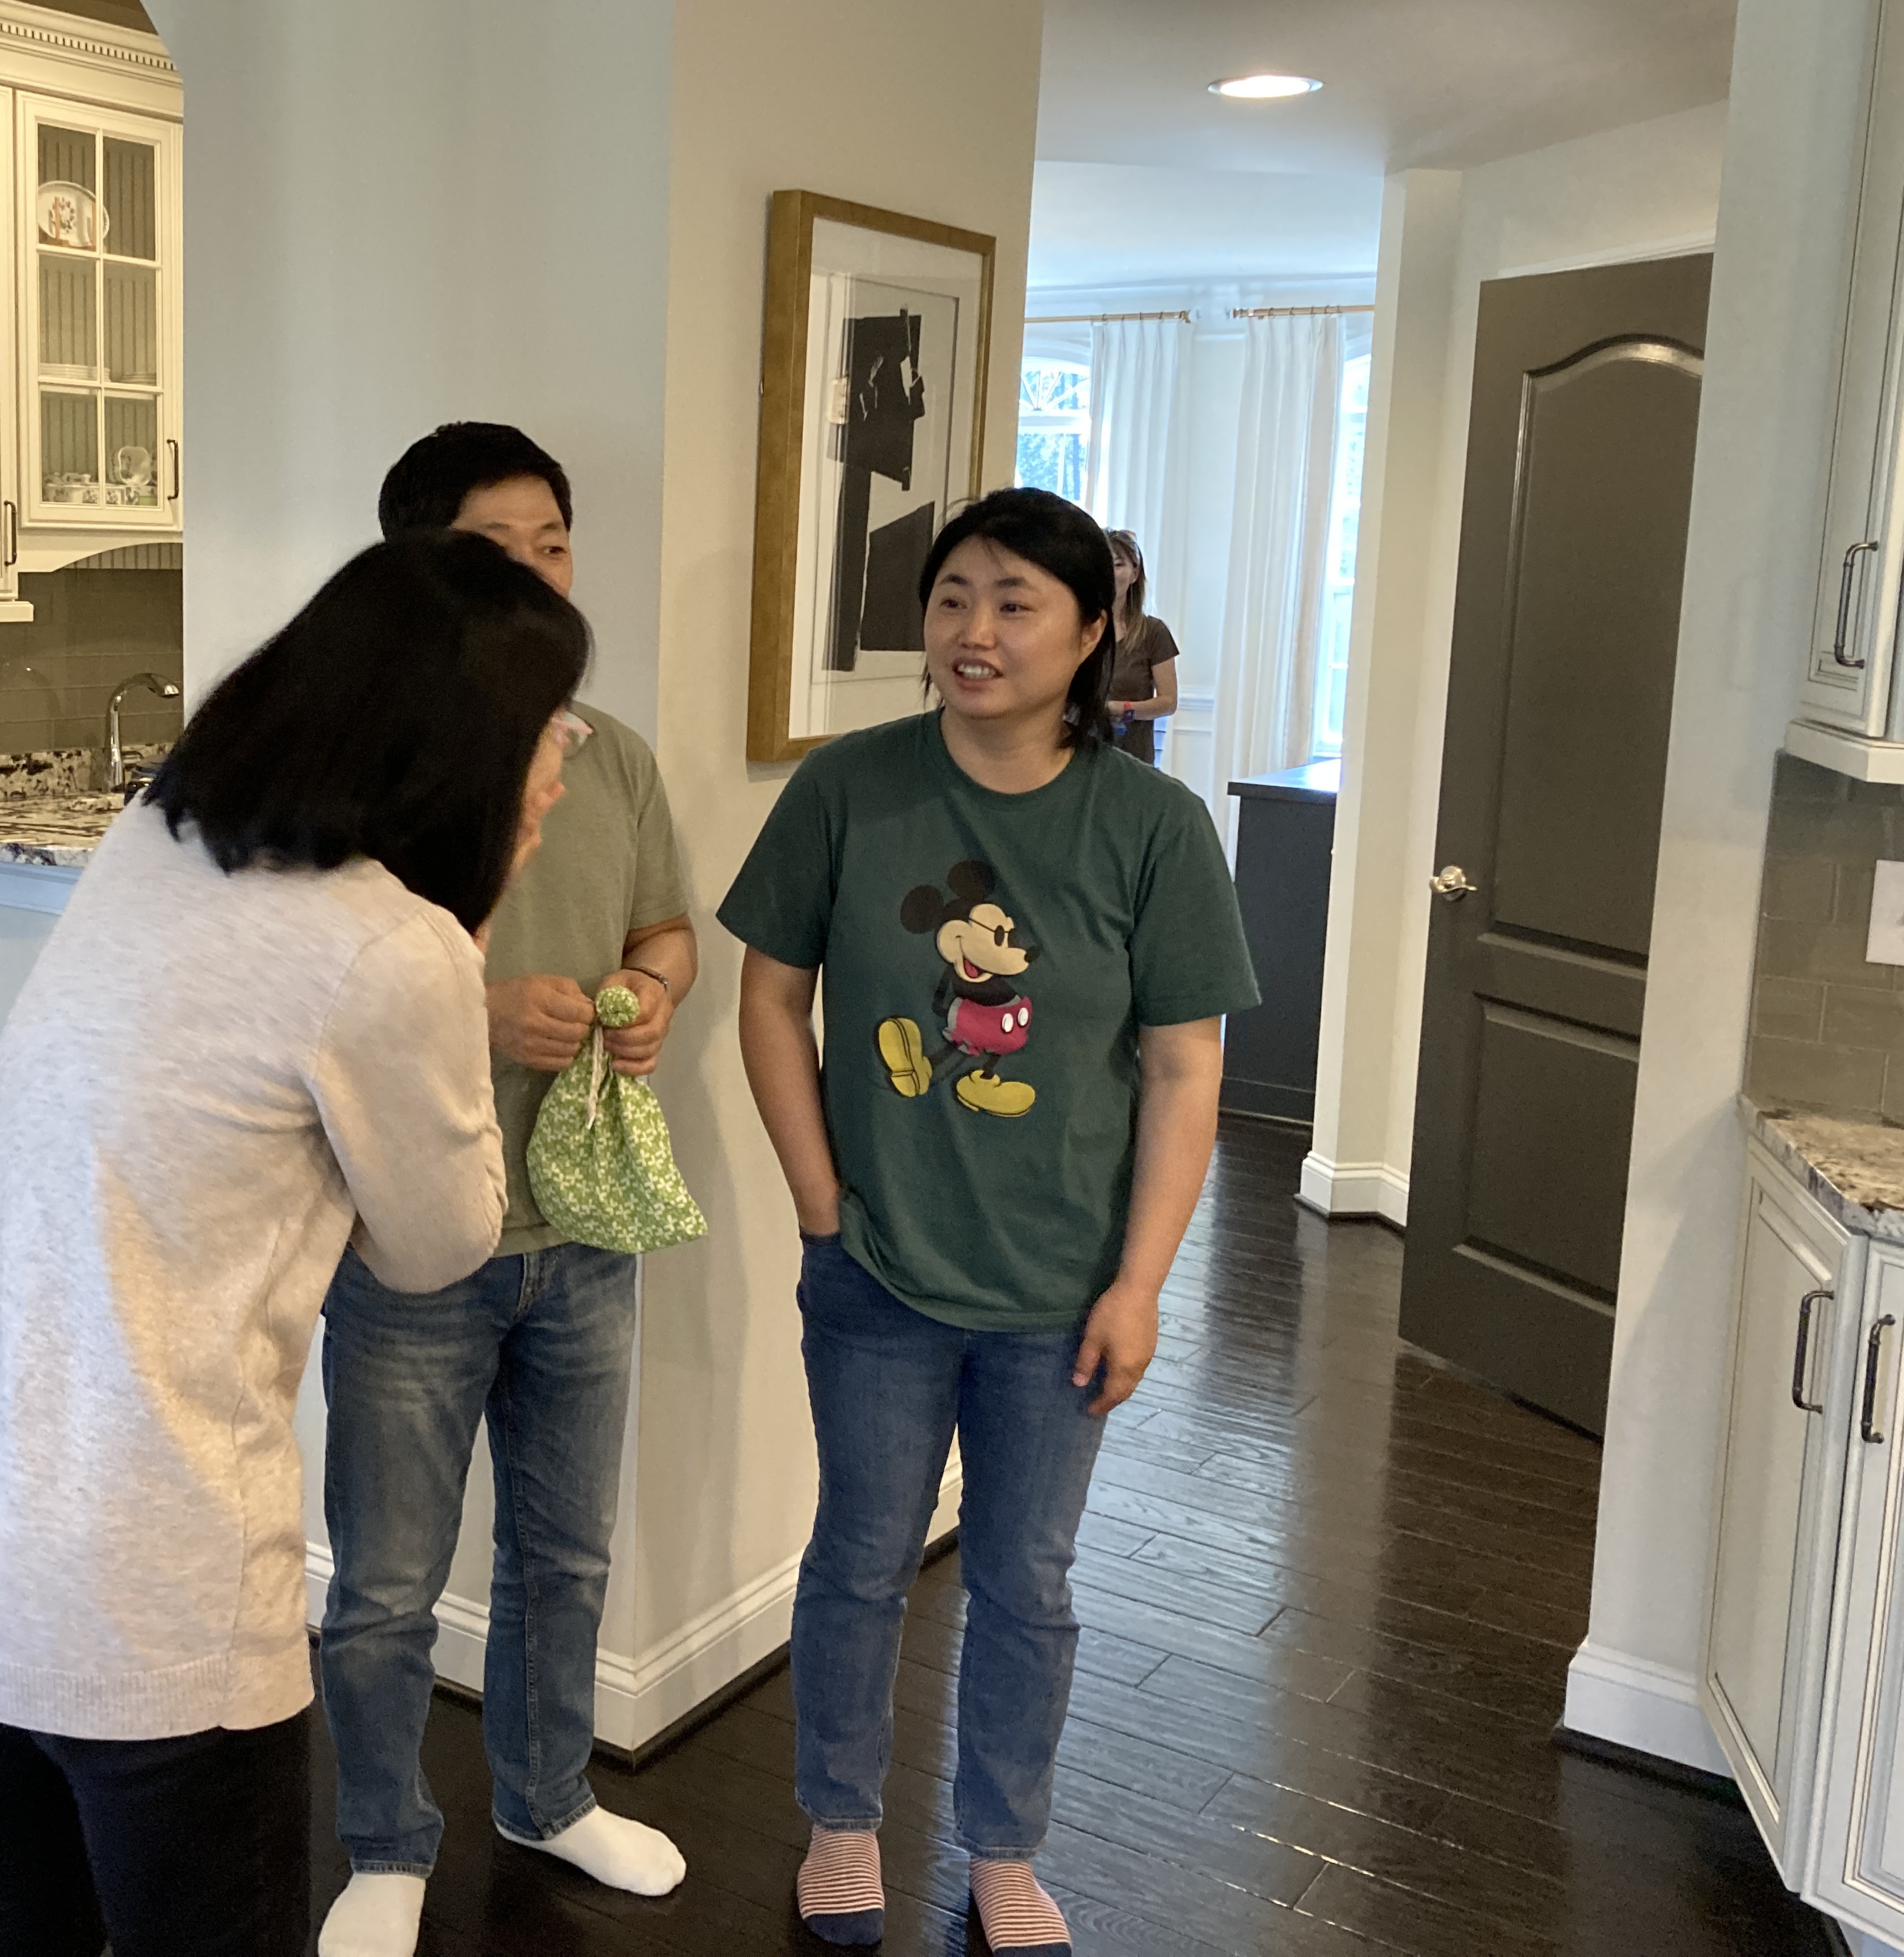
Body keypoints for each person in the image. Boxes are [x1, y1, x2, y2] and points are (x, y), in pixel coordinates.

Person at [0, 531, 591, 1957]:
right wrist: (471, 925)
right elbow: (441, 1245)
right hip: (143, 1579)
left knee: (9, 1931)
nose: (562, 766)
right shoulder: (393, 946)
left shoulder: (160, 834)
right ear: (464, 753)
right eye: (550, 730)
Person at [720, 488, 1257, 1956]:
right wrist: (820, 1200)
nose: (976, 630)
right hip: (877, 1271)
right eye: (954, 595)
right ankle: (842, 1821)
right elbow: (770, 995)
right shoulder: (850, 786)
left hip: (1063, 1286)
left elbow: (1185, 1064)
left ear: (1091, 634)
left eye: (1018, 603)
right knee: (859, 1558)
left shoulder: (1152, 825)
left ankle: (1004, 1847)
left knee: (1027, 1580)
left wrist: (1141, 1283)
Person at [316, 421, 696, 1957]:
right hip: (409, 1234)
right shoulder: (350, 769)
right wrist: (470, 1008)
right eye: (498, 548)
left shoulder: (611, 755)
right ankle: (382, 1841)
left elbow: (668, 931)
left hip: (589, 1220)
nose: (539, 575)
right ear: (416, 568)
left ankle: (546, 1794)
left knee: (565, 1552)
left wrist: (650, 990)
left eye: (555, 544)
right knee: (388, 1579)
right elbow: (315, 991)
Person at [1101, 526, 1178, 763]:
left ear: (1135, 573)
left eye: (1118, 565)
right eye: (1104, 565)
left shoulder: (1154, 632)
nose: (1110, 573)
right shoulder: (1078, 630)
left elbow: (1168, 702)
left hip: (1133, 759)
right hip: (1081, 757)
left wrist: (1124, 709)